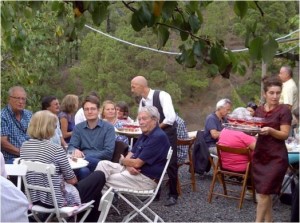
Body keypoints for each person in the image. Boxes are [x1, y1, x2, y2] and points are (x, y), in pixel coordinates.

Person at [20, 110, 105, 222]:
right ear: (49, 128)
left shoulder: (24, 147)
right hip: (56, 201)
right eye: (55, 126)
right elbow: (72, 181)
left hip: (34, 199)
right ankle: (85, 219)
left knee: (91, 189)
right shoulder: (56, 149)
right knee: (99, 176)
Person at [95, 106, 169, 191]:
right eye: (139, 119)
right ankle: (103, 199)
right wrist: (128, 165)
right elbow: (131, 154)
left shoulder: (157, 137)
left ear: (155, 120)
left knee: (103, 179)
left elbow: (137, 163)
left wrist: (123, 161)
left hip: (145, 179)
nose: (141, 122)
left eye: (144, 119)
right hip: (133, 172)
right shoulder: (145, 133)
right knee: (103, 164)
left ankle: (99, 201)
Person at [131, 75, 178, 206]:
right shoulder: (142, 102)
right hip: (150, 136)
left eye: (133, 87)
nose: (132, 90)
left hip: (167, 133)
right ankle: (154, 193)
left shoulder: (162, 95)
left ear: (141, 86)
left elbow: (170, 118)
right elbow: (139, 120)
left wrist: (154, 129)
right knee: (150, 162)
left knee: (171, 163)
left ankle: (174, 194)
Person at [253, 76, 292, 222]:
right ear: (265, 94)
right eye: (271, 93)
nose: (275, 96)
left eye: (278, 93)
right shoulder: (259, 111)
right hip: (260, 155)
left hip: (276, 157)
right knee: (264, 193)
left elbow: (284, 135)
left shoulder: (284, 111)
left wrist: (270, 130)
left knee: (263, 193)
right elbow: (255, 130)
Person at [68, 96, 115, 180]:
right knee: (82, 170)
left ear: (98, 110)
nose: (89, 112)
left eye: (93, 109)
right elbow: (70, 148)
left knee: (82, 170)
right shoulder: (78, 128)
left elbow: (108, 153)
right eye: (86, 109)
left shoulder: (108, 128)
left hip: (100, 163)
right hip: (81, 163)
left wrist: (85, 157)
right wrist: (74, 150)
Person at [218, 107, 256, 172]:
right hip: (243, 168)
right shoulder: (244, 134)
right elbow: (258, 148)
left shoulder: (224, 130)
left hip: (224, 165)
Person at [1, 86, 32, 164]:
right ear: (9, 99)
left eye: (23, 99)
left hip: (30, 157)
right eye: (17, 98)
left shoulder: (29, 115)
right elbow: (2, 142)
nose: (21, 102)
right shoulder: (2, 116)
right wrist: (22, 153)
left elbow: (36, 136)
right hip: (11, 159)